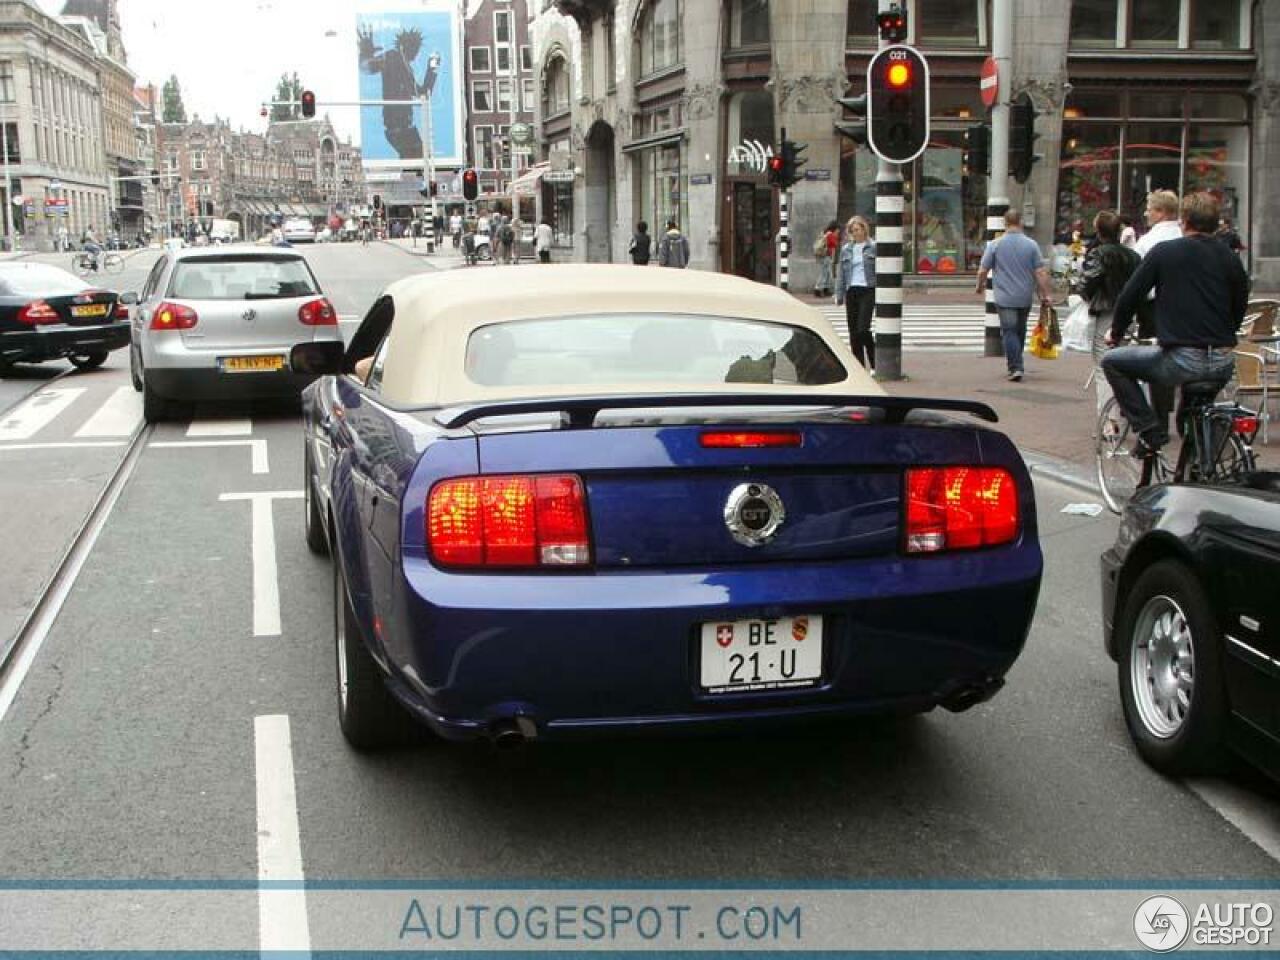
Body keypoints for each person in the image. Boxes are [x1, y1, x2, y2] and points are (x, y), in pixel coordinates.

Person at [1101, 192, 1248, 456]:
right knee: (1189, 418)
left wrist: (1116, 331)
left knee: (1113, 362)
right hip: (1223, 360)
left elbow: (1130, 296)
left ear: (1185, 221)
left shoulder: (1165, 253)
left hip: (1183, 358)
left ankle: (1149, 429)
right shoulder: (1229, 257)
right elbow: (1240, 303)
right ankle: (1198, 470)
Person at [974, 209, 1053, 382]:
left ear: (1005, 223)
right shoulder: (1031, 245)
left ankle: (1015, 367)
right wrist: (1046, 293)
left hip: (1004, 296)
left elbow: (983, 270)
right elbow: (1040, 272)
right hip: (1024, 296)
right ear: (1021, 222)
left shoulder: (995, 245)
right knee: (1020, 329)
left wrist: (979, 286)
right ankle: (1017, 362)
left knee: (1009, 331)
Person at [1078, 210, 1140, 412]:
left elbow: (1087, 283)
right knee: (1124, 364)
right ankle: (1125, 413)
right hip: (1130, 314)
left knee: (1103, 366)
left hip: (1106, 313)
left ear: (1098, 231)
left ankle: (1109, 419)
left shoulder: (1098, 254)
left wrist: (1084, 294)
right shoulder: (1133, 256)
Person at [835, 216, 876, 373]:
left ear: (864, 229)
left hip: (868, 289)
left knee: (863, 329)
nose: (855, 233)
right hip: (852, 290)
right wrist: (839, 294)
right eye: (852, 231)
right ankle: (859, 367)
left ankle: (874, 363)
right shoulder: (847, 249)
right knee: (853, 332)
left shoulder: (873, 247)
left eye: (857, 230)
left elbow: (880, 270)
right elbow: (841, 273)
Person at [814, 219, 839, 297]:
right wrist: (836, 236)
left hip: (823, 256)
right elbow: (835, 244)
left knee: (827, 273)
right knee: (824, 273)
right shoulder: (830, 234)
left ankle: (825, 288)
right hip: (826, 256)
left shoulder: (825, 233)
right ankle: (818, 288)